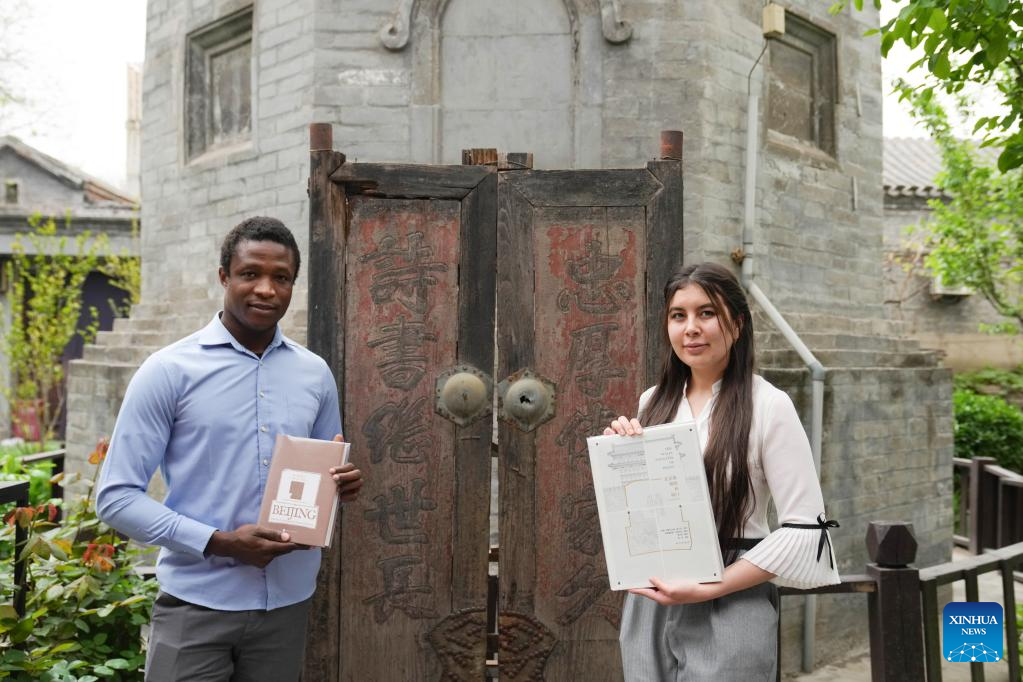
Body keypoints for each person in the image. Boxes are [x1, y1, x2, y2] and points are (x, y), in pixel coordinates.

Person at [96, 216, 363, 681]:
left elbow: (322, 479)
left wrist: (342, 483)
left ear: (293, 285)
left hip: (286, 606)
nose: (266, 289)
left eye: (281, 278)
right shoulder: (168, 372)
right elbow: (116, 498)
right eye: (249, 274)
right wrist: (219, 543)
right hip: (196, 606)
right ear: (224, 277)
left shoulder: (314, 374)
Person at [604, 262, 839, 681]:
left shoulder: (769, 405)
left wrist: (710, 587)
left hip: (734, 595)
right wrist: (622, 456)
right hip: (653, 598)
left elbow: (805, 528)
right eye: (679, 316)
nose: (691, 328)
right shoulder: (651, 402)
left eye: (706, 313)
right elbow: (638, 514)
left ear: (738, 323)